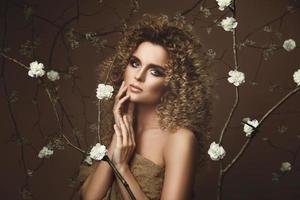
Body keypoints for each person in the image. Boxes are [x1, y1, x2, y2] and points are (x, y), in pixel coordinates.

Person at [78, 13, 216, 200]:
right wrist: (117, 137)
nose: (139, 75)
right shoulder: (121, 127)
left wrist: (121, 168)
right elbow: (89, 198)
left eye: (155, 71)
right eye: (135, 63)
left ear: (174, 83)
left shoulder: (180, 139)